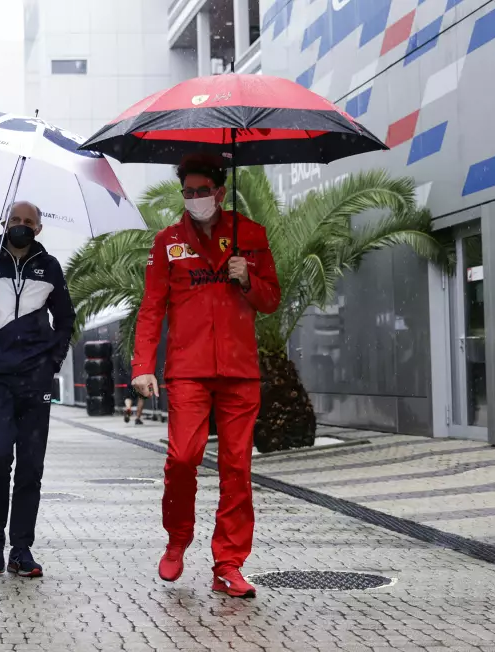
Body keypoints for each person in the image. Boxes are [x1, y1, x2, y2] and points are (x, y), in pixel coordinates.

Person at [131, 154, 281, 599]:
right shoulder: (167, 242)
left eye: (203, 191)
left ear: (220, 191)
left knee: (237, 468)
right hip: (189, 371)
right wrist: (143, 367)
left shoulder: (250, 236)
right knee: (182, 458)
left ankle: (229, 563)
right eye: (188, 192)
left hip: (240, 372)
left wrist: (247, 277)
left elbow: (271, 299)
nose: (195, 199)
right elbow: (152, 307)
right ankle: (178, 539)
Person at [0, 200, 76, 578]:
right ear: (4, 222)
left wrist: (51, 362)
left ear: (38, 228)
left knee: (31, 466)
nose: (21, 226)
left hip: (35, 380)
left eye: (29, 222)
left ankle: (21, 548)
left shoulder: (50, 266)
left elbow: (67, 318)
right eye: (15, 220)